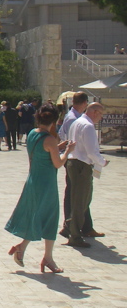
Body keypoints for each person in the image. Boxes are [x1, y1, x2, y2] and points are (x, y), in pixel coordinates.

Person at [5, 103, 75, 273]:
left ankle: (23, 248)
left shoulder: (32, 134)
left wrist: (58, 147)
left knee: (36, 216)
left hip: (33, 180)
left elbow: (42, 152)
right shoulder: (50, 139)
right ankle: (47, 258)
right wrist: (67, 151)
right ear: (55, 120)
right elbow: (57, 163)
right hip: (46, 183)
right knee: (50, 217)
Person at [63, 102, 109, 248]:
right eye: (100, 114)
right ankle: (75, 236)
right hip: (82, 165)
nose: (101, 118)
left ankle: (70, 226)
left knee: (81, 199)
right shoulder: (88, 126)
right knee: (81, 201)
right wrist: (102, 162)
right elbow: (91, 151)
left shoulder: (77, 122)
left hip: (74, 163)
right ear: (95, 112)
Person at [57, 92, 101, 239]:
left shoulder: (75, 118)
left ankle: (78, 226)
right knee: (78, 197)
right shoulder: (77, 120)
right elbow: (86, 147)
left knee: (79, 196)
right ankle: (74, 228)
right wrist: (101, 162)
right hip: (78, 162)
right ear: (84, 103)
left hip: (74, 160)